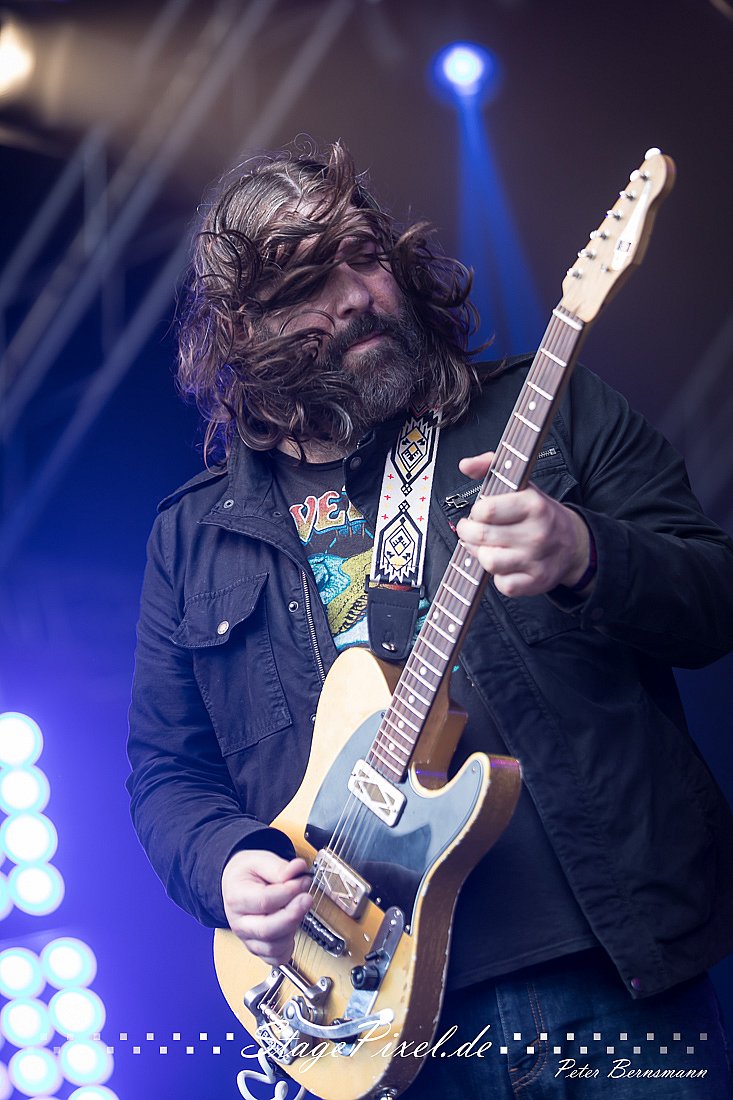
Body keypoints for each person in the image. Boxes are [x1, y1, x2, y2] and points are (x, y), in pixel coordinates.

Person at [127, 141, 733, 1098]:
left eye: (364, 257)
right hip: (376, 1016)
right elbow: (168, 773)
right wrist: (228, 866)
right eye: (306, 286)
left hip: (617, 974)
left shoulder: (546, 409)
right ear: (241, 331)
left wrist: (586, 553)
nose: (355, 297)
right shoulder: (193, 537)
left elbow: (713, 599)